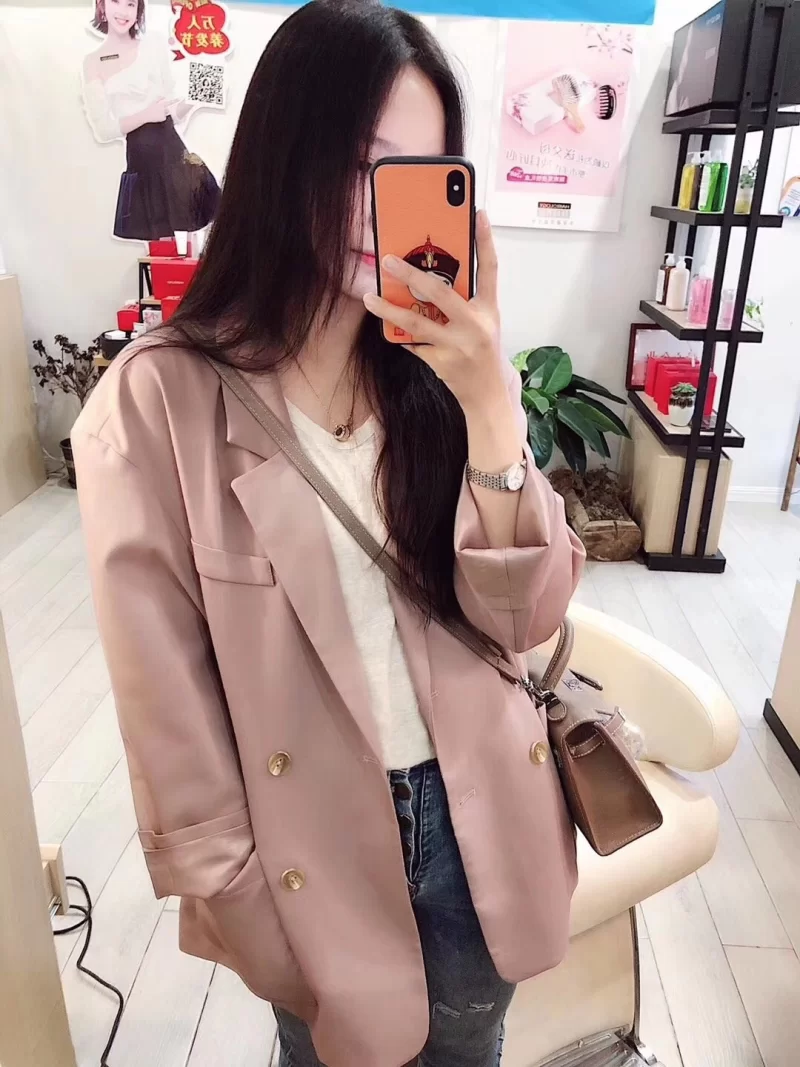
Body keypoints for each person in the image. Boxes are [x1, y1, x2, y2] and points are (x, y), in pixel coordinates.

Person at [73, 2, 585, 1064]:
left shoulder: (440, 371)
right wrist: (255, 914)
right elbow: (169, 729)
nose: (382, 209)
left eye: (417, 175)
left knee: (472, 1046)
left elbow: (525, 616)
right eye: (360, 164)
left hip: (483, 827)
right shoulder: (158, 401)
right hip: (314, 858)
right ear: (280, 154)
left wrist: (490, 400)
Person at [81, 0, 220, 244]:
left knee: (190, 239)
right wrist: (147, 115)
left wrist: (197, 98)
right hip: (141, 159)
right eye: (116, 2)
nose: (124, 11)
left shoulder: (153, 44)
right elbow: (103, 129)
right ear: (101, 6)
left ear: (139, 10)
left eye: (131, 4)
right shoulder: (93, 62)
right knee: (159, 244)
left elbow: (172, 112)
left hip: (173, 154)